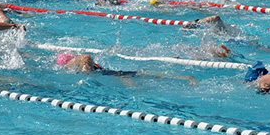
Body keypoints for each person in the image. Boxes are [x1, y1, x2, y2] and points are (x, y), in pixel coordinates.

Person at [56, 52, 198, 84]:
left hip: (110, 74)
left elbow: (85, 57)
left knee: (143, 77)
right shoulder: (79, 66)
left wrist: (88, 75)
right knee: (145, 75)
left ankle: (185, 78)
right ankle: (185, 78)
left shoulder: (76, 64)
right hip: (112, 74)